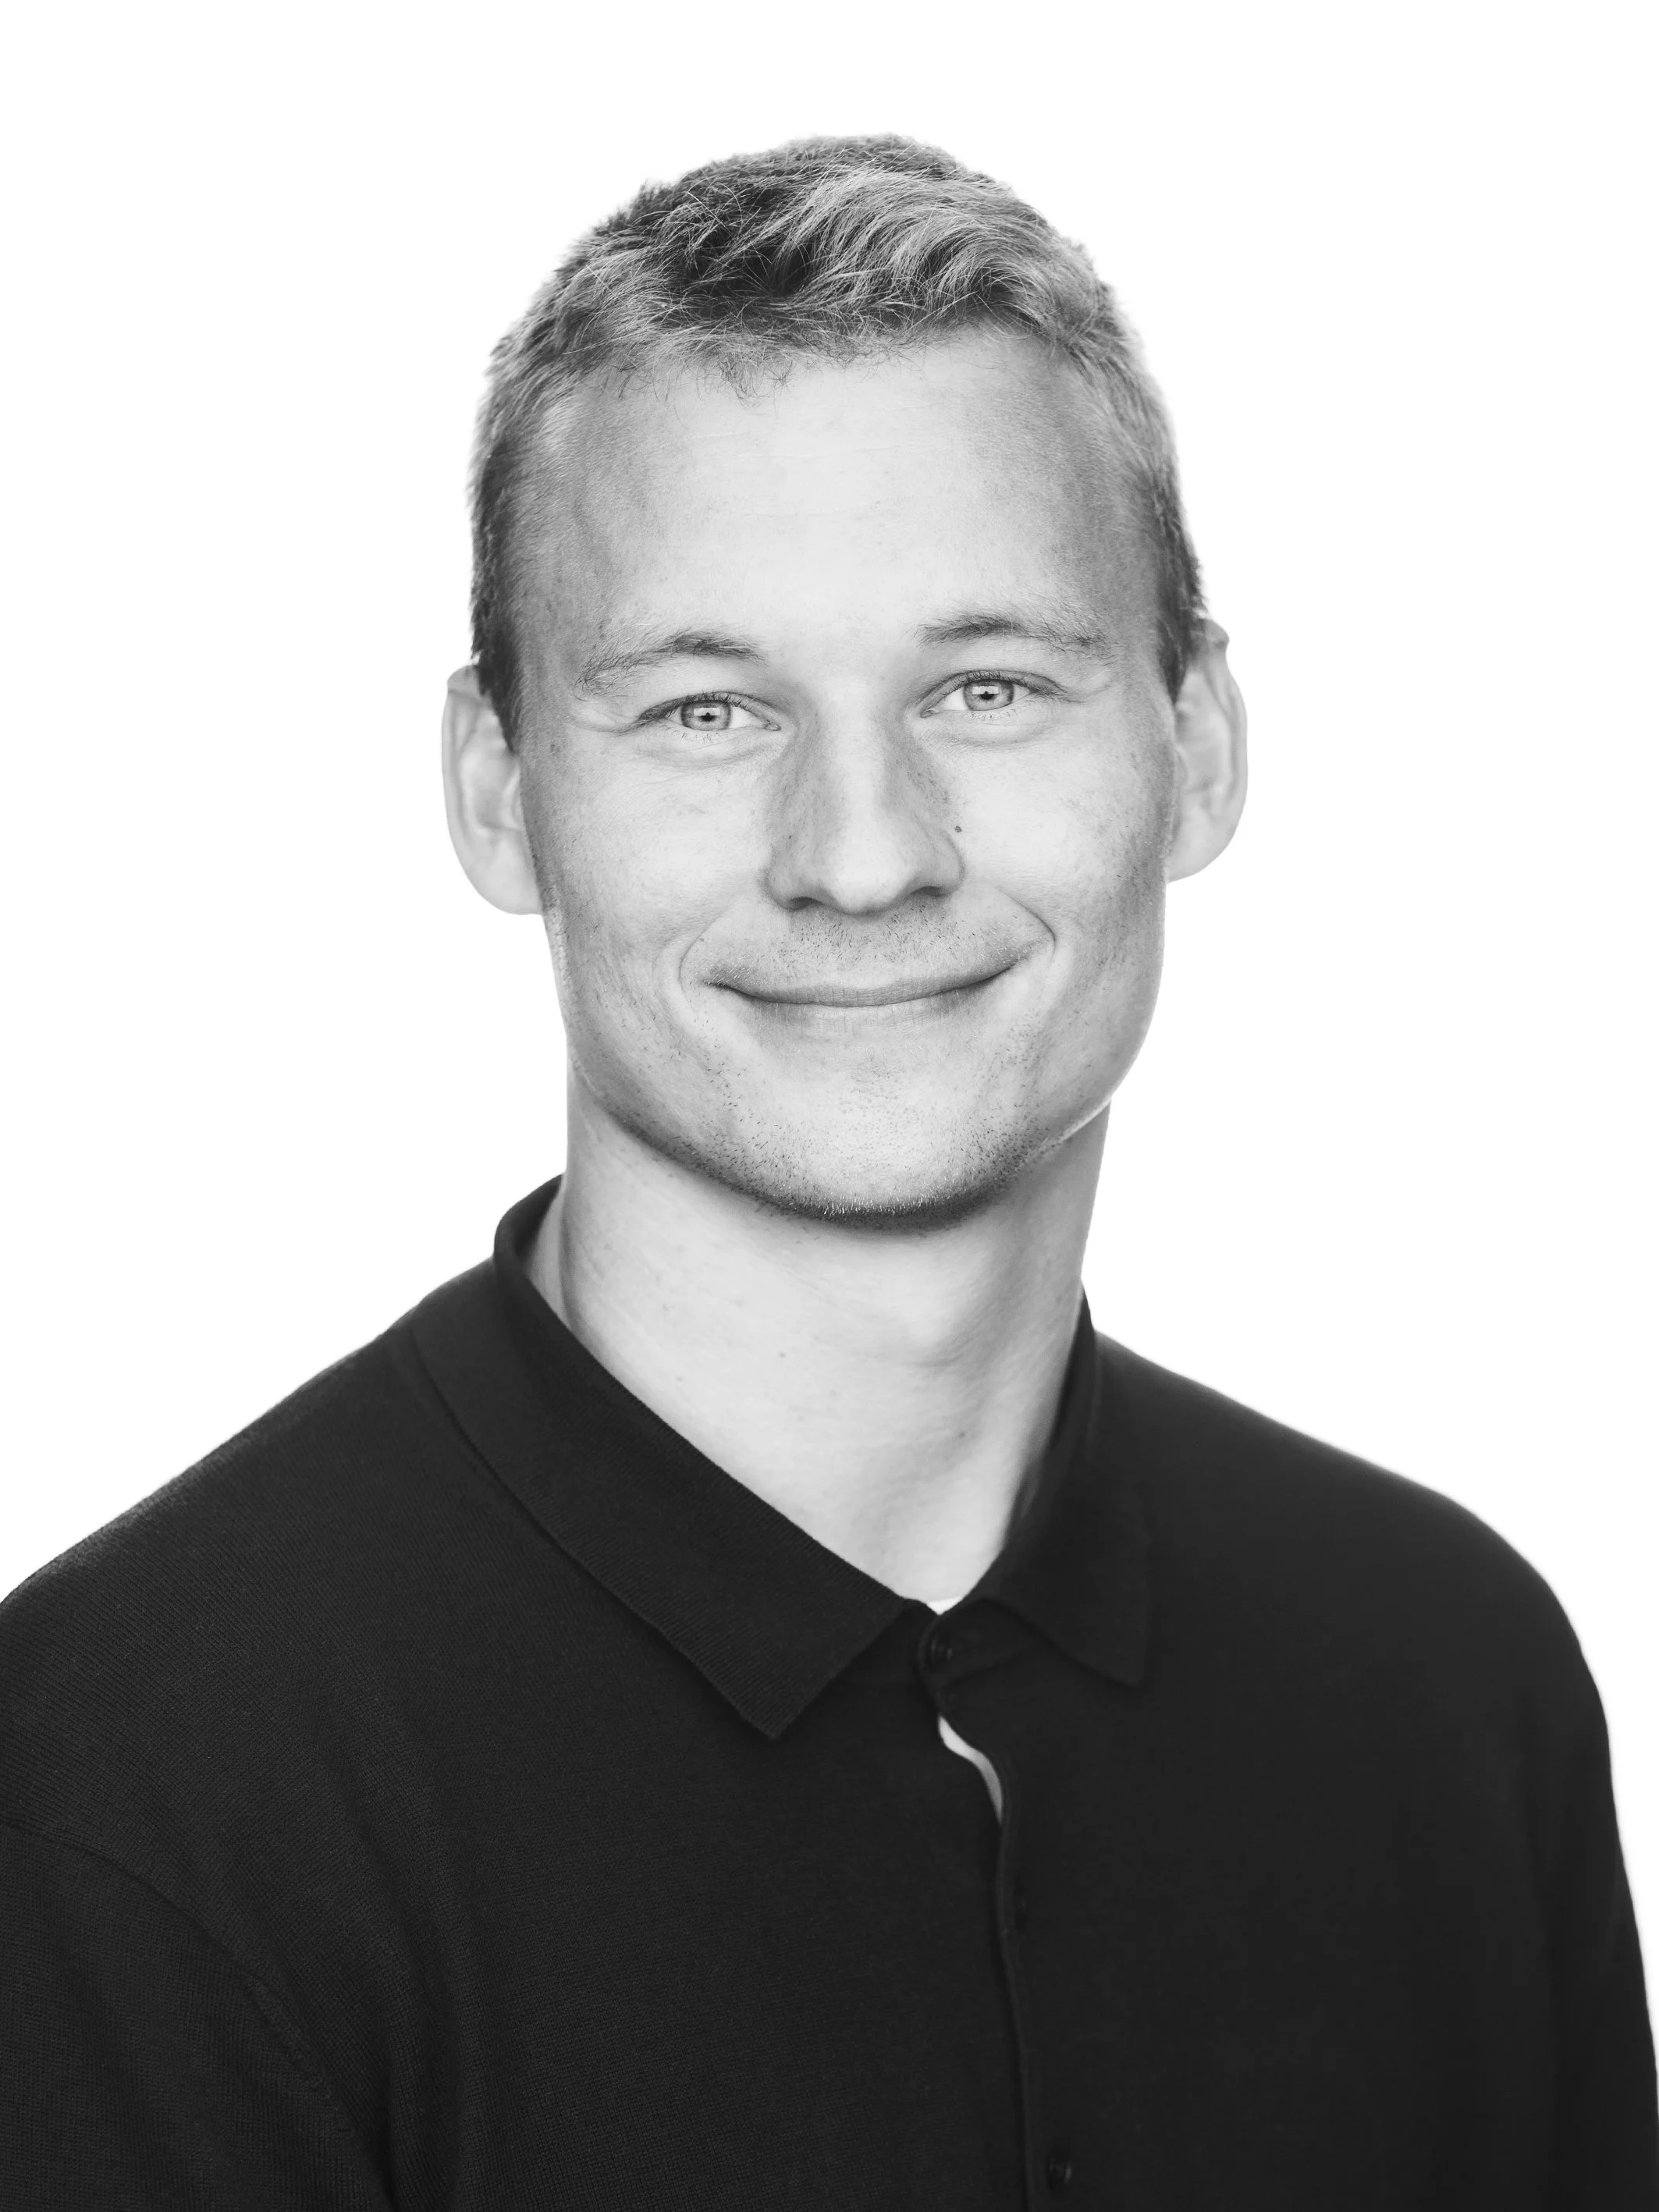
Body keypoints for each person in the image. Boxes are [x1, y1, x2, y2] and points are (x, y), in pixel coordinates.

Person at [1, 134, 1653, 2211]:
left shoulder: (1445, 1683)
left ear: (1196, 747)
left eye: (983, 686)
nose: (861, 851)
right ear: (501, 794)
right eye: (704, 708)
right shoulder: (135, 1785)